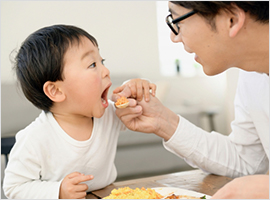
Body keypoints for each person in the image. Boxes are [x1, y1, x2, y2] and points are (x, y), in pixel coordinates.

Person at [112, 1, 269, 199]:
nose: (174, 37)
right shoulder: (253, 76)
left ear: (231, 19)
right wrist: (164, 122)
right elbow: (246, 162)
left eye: (177, 20)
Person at [3, 24, 156, 199]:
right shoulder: (34, 137)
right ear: (56, 91)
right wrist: (58, 191)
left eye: (102, 62)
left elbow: (135, 107)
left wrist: (136, 86)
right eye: (92, 64)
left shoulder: (109, 115)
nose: (106, 71)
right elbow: (13, 188)